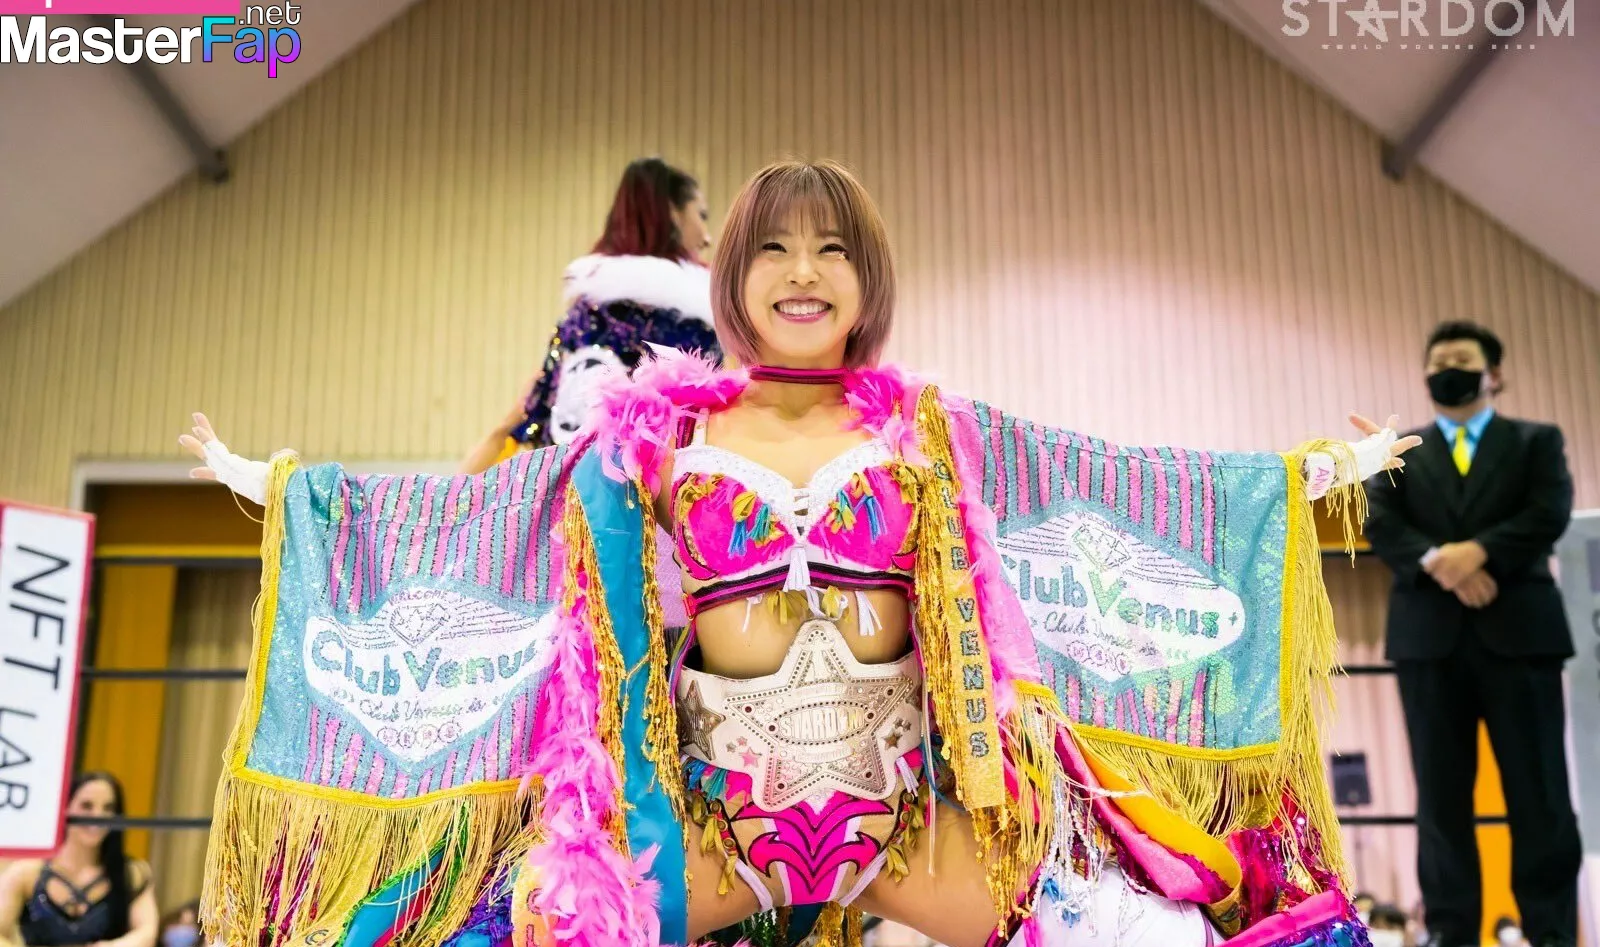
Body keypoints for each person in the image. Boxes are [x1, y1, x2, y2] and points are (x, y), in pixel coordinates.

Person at [182, 160, 1417, 947]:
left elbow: (1105, 482)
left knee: (1153, 933)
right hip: (708, 825)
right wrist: (286, 489)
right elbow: (494, 517)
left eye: (831, 248)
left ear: (865, 279)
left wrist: (1309, 477)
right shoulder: (654, 436)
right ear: (733, 276)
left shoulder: (928, 429)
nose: (803, 271)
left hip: (909, 818)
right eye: (773, 247)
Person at [1364, 320, 1580, 947]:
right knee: (1440, 798)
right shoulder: (1402, 451)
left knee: (1540, 792)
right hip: (1429, 645)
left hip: (1521, 639)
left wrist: (1478, 553)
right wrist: (1442, 563)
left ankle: (1550, 930)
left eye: (1461, 358)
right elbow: (1381, 521)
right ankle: (1449, 929)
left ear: (1494, 374)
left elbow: (1548, 511)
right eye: (1437, 362)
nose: (1447, 369)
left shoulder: (1536, 441)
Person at [459, 156, 722, 474]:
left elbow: (534, 414)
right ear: (672, 214)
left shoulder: (582, 318)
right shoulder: (691, 325)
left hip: (564, 490)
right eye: (701, 215)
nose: (707, 237)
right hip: (651, 495)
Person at [0, 772, 158, 947]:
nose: (97, 816)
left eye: (108, 808)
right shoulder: (27, 871)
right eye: (86, 806)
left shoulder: (133, 873)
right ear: (65, 807)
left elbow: (146, 932)